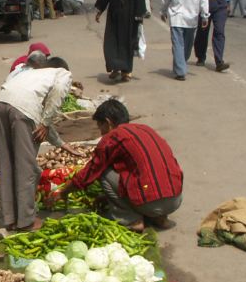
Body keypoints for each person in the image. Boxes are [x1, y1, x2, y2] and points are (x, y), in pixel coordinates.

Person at [58, 99, 183, 232]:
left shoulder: (114, 137)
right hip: (176, 199)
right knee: (154, 171)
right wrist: (107, 197)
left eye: (101, 127)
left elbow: (91, 171)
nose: (101, 133)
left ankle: (131, 220)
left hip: (150, 203)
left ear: (108, 122)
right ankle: (161, 219)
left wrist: (63, 192)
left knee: (103, 171)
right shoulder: (145, 129)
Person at [0, 56, 72, 232]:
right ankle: (26, 221)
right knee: (26, 167)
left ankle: (10, 218)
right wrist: (45, 123)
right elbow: (55, 95)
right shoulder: (62, 73)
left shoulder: (27, 72)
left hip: (2, 102)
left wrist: (60, 143)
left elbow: (36, 115)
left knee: (6, 162)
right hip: (22, 108)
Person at [94, 0, 147, 81]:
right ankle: (126, 71)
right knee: (128, 41)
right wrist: (140, 13)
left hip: (115, 14)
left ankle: (115, 68)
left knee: (114, 40)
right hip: (131, 15)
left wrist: (100, 10)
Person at [159, 0, 210, 81]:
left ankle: (180, 64)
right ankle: (181, 70)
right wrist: (205, 15)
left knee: (183, 46)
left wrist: (163, 10)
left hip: (180, 16)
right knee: (182, 45)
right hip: (189, 16)